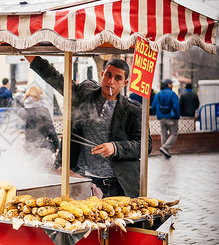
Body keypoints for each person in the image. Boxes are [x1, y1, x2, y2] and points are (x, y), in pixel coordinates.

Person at [26, 56, 152, 198]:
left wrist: (115, 147)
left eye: (118, 78)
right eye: (108, 75)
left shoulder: (133, 110)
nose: (111, 82)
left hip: (118, 185)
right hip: (82, 181)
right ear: (102, 74)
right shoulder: (84, 94)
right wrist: (30, 56)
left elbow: (145, 145)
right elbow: (55, 78)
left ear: (125, 83)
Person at [18, 86, 59, 167]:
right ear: (40, 96)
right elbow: (50, 129)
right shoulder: (43, 110)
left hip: (28, 147)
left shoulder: (23, 111)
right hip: (43, 147)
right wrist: (56, 144)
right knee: (44, 173)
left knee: (32, 172)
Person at [151, 79, 181, 159]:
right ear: (168, 85)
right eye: (171, 84)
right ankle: (165, 148)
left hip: (161, 118)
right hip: (171, 118)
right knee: (174, 134)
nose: (172, 85)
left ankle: (165, 151)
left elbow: (153, 106)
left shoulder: (158, 94)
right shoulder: (173, 94)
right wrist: (177, 116)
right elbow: (176, 106)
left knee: (163, 134)